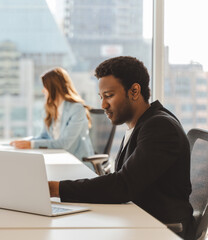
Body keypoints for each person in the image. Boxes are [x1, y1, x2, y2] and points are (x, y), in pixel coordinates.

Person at [48, 57, 194, 240]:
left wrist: (56, 189)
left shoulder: (160, 127)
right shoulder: (140, 125)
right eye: (101, 97)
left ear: (134, 91)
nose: (103, 105)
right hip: (138, 219)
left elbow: (124, 185)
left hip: (162, 229)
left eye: (109, 96)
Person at [10, 67, 95, 162]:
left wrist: (31, 144)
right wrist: (25, 141)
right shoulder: (52, 109)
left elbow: (65, 143)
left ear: (54, 88)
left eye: (45, 87)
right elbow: (43, 137)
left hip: (76, 162)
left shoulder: (76, 109)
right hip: (57, 159)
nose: (43, 91)